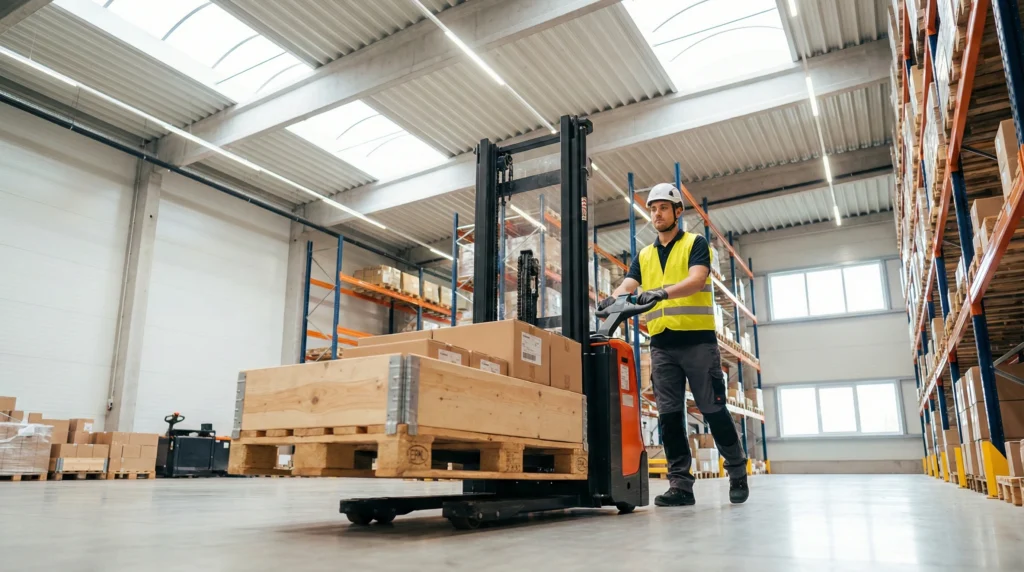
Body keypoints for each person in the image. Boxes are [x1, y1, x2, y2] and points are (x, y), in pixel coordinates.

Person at [599, 182, 748, 506]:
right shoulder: (645, 255)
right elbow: (627, 285)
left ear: (678, 211)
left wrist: (662, 292)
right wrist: (610, 300)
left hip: (697, 342)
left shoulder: (695, 243)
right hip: (662, 345)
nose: (657, 214)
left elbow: (696, 280)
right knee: (668, 416)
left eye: (663, 208)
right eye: (653, 209)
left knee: (713, 409)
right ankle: (680, 485)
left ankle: (737, 471)